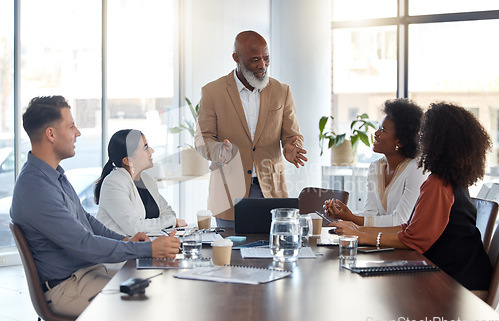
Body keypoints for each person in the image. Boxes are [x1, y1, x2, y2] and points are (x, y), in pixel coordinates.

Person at [10, 96, 181, 317]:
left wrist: (125, 240)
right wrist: (148, 249)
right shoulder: (37, 189)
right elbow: (84, 243)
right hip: (68, 288)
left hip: (86, 274)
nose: (78, 133)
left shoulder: (54, 176)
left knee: (161, 289)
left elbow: (87, 220)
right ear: (51, 134)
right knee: (152, 306)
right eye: (71, 126)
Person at [329, 102, 493, 291]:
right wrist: (357, 229)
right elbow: (409, 230)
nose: (420, 138)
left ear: (439, 140)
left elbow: (413, 241)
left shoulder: (437, 184)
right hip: (459, 276)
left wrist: (359, 234)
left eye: (424, 133)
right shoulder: (450, 181)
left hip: (460, 287)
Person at [194, 30, 308, 227]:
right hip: (228, 194)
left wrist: (292, 146)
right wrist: (218, 150)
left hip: (272, 190)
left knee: (273, 251)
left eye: (266, 58)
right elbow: (202, 138)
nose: (262, 65)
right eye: (255, 60)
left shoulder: (282, 91)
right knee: (230, 255)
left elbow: (293, 135)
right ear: (236, 58)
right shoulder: (213, 92)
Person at [325, 99, 427, 227]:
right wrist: (345, 215)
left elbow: (401, 221)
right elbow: (370, 213)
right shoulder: (376, 167)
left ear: (400, 141)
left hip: (405, 245)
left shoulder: (416, 169)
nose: (376, 133)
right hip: (380, 243)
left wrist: (351, 218)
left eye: (383, 130)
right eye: (379, 128)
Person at [95, 129, 187, 236]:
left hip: (144, 246)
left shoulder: (146, 179)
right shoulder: (113, 183)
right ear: (128, 160)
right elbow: (136, 228)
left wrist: (169, 221)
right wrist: (171, 221)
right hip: (119, 249)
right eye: (145, 148)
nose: (152, 151)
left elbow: (168, 213)